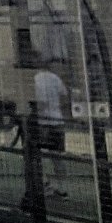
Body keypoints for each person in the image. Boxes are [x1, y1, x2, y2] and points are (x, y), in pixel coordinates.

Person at [32, 67, 70, 198]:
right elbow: (64, 95)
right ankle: (62, 189)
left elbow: (41, 102)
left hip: (43, 122)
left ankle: (45, 185)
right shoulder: (55, 77)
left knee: (39, 155)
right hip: (57, 120)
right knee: (57, 157)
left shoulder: (35, 79)